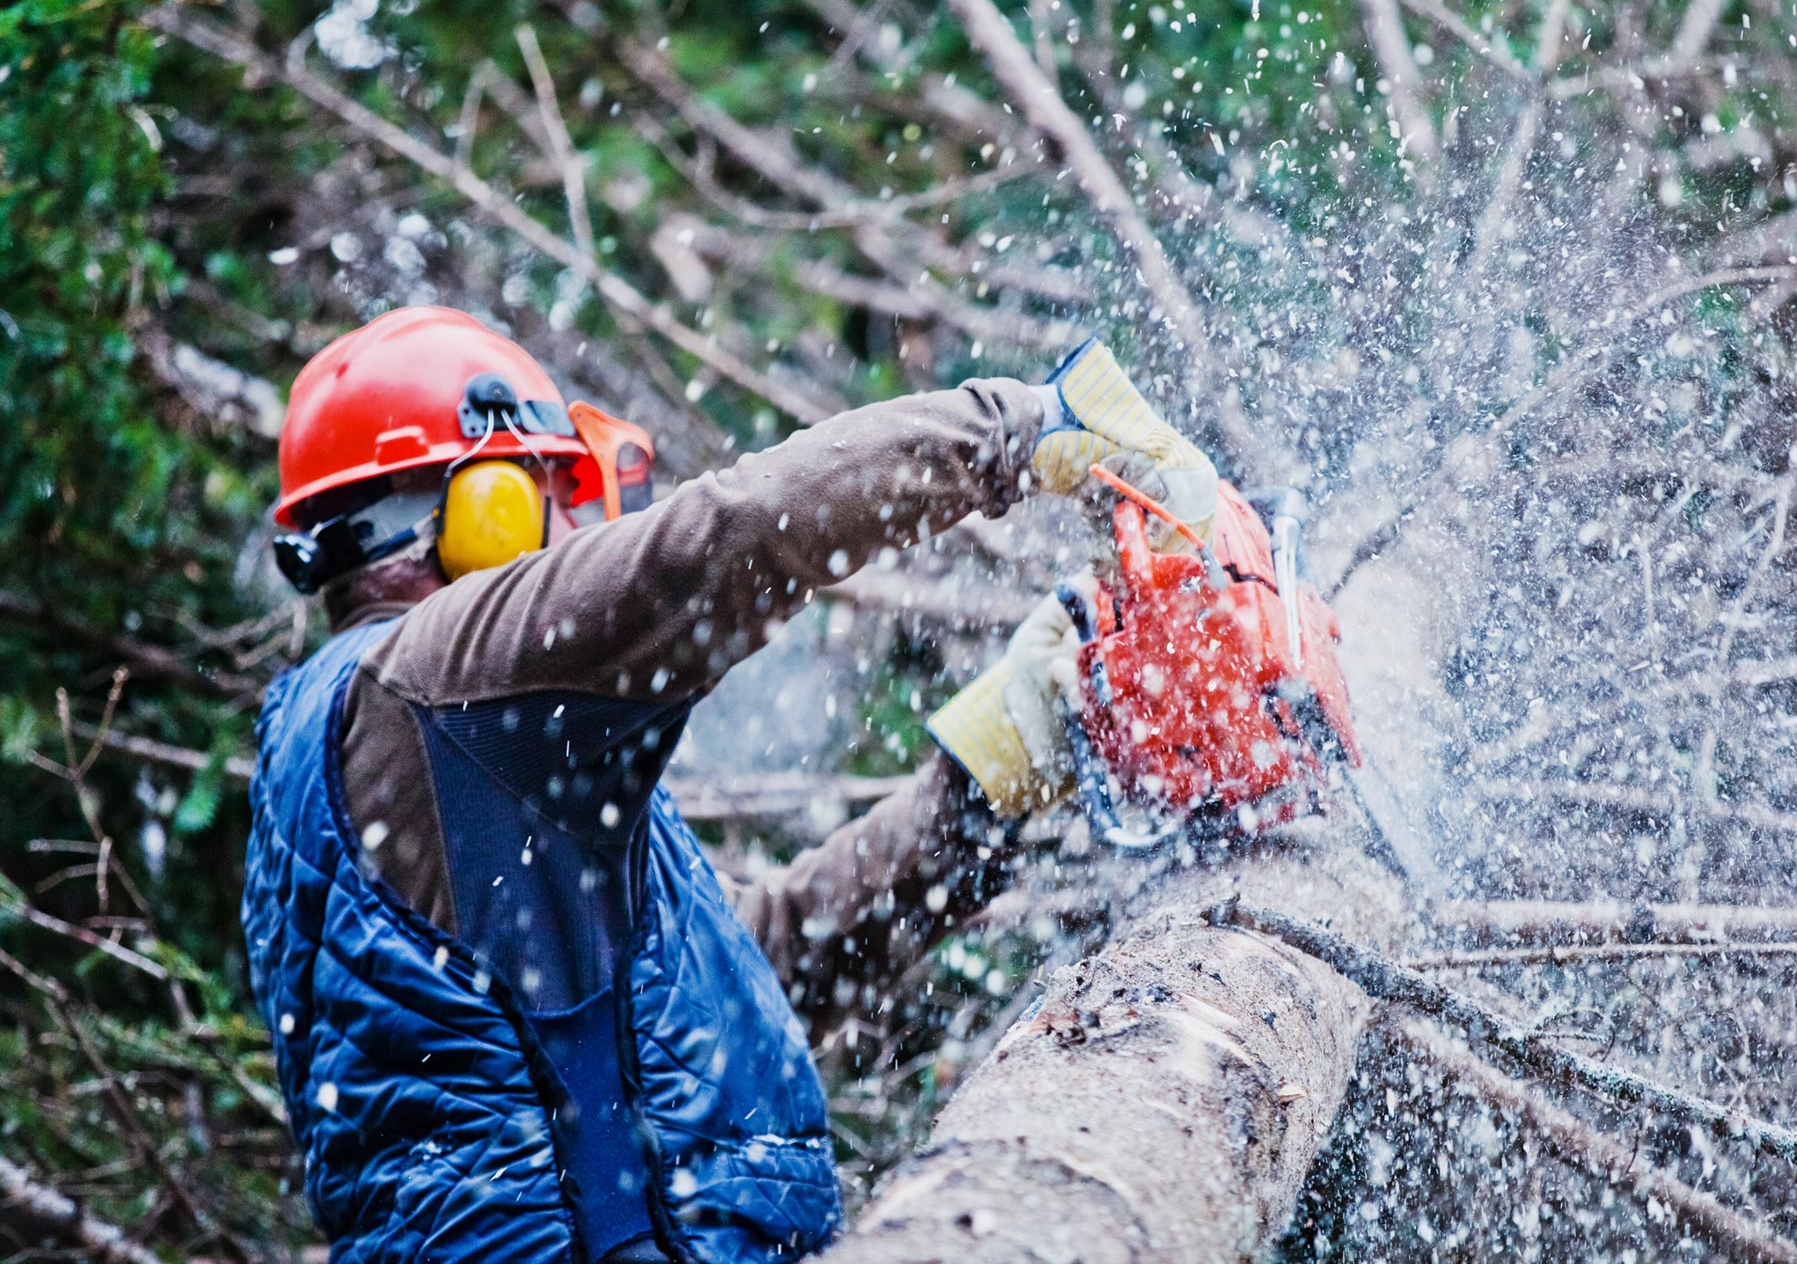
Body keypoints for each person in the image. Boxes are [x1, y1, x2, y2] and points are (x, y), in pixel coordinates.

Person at [243, 306, 1215, 1264]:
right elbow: (724, 542)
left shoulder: (422, 752)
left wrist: (989, 773)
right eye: (546, 489)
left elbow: (753, 974)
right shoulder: (438, 682)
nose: (569, 528)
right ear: (479, 508)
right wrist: (1025, 426)